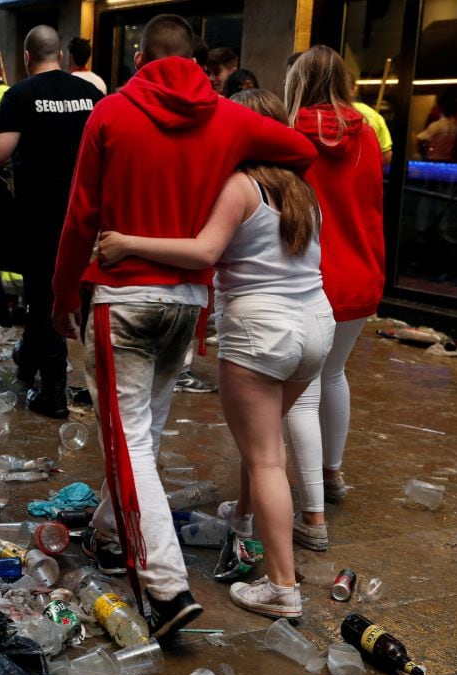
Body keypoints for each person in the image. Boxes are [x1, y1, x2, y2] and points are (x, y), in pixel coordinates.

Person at [51, 14, 316, 639]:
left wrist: (64, 293)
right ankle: (113, 535)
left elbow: (80, 213)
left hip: (124, 300)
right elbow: (301, 150)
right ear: (196, 57)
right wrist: (227, 152)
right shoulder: (225, 117)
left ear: (141, 55)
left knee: (128, 438)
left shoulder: (112, 113)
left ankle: (166, 588)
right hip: (187, 303)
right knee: (144, 432)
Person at [98, 89, 331, 620]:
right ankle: (244, 518)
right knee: (264, 441)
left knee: (267, 457)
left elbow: (204, 251)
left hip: (261, 330)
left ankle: (282, 587)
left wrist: (128, 242)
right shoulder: (302, 190)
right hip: (317, 322)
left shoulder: (240, 186)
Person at [0, 25, 102, 420]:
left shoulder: (21, 94)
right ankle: (32, 362)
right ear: (63, 58)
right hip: (89, 214)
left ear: (27, 57)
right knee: (76, 297)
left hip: (41, 214)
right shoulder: (91, 95)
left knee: (45, 296)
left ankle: (53, 392)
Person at [281, 45, 384, 554]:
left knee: (302, 391)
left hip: (312, 279)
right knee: (334, 373)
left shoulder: (287, 133)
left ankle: (312, 508)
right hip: (363, 273)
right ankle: (333, 473)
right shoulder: (368, 134)